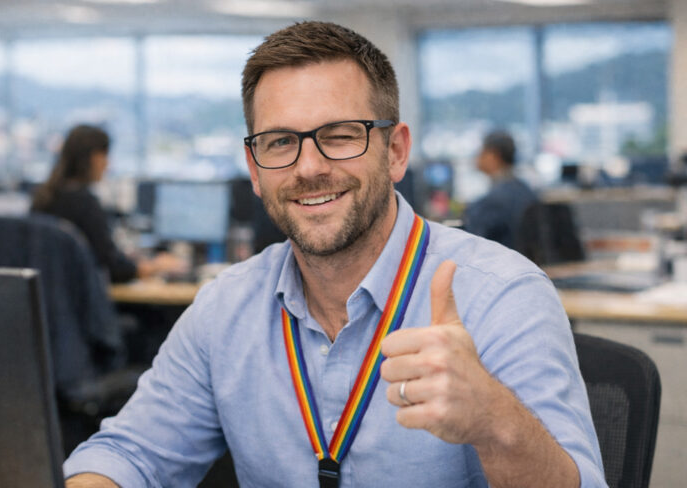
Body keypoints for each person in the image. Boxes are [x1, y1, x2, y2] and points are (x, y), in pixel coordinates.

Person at [64, 22, 605, 487]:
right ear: (254, 171)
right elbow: (130, 453)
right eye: (279, 142)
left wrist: (494, 420)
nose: (308, 167)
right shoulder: (225, 310)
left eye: (340, 136)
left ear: (395, 152)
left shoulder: (501, 296)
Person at [31, 124, 185, 283]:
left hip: (51, 298)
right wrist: (156, 266)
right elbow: (113, 268)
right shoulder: (85, 203)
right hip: (82, 299)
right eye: (105, 156)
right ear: (94, 158)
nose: (107, 164)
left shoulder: (42, 198)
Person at [463, 130, 538, 250]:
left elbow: (472, 246)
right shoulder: (527, 191)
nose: (476, 158)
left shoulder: (490, 203)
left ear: (493, 156)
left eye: (481, 153)